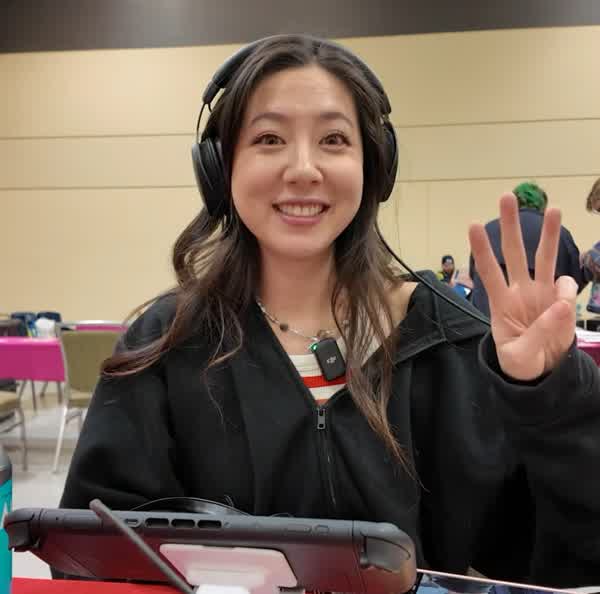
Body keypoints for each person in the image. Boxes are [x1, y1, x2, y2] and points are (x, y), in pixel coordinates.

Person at [58, 35, 600, 588]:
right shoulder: (166, 344)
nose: (303, 169)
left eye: (334, 139)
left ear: (374, 165)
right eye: (269, 138)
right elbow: (90, 562)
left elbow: (569, 556)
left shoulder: (450, 344)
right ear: (220, 168)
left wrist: (551, 394)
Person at [469, 182, 586, 317]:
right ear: (542, 205)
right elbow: (572, 283)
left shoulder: (488, 229)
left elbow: (474, 272)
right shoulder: (560, 233)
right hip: (542, 319)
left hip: (487, 317)